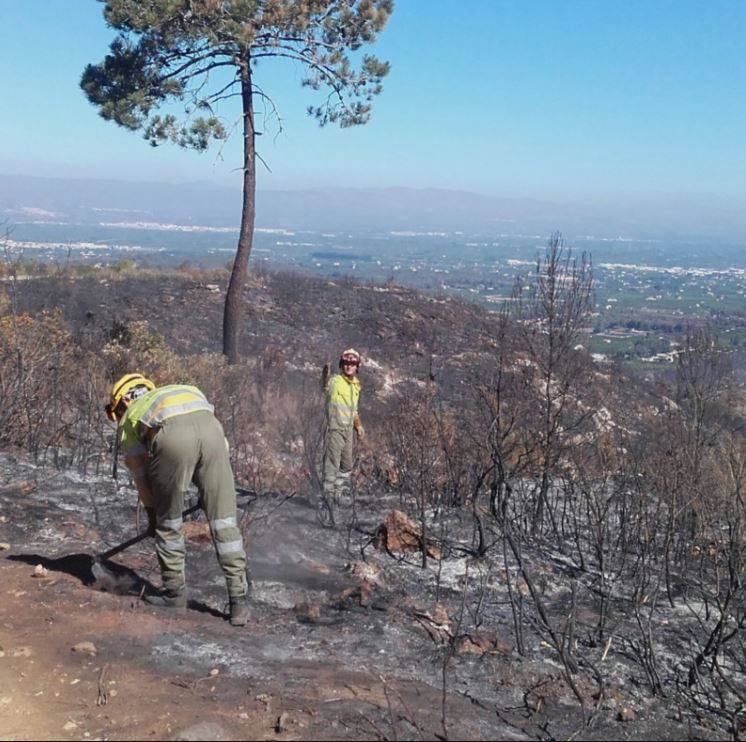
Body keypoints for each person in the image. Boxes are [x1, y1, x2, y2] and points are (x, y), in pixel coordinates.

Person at [105, 373, 249, 626]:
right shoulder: (182, 390)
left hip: (173, 438)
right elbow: (219, 446)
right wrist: (209, 490)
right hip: (214, 435)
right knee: (225, 522)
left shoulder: (133, 414)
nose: (119, 416)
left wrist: (153, 514)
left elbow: (141, 475)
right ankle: (239, 602)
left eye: (117, 409)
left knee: (168, 523)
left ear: (125, 400)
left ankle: (174, 596)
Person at [322, 349, 365, 507]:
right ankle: (328, 496)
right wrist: (325, 374)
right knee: (332, 463)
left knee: (346, 466)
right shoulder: (335, 381)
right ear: (342, 364)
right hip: (335, 427)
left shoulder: (356, 386)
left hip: (348, 430)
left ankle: (337, 493)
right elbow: (325, 386)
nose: (349, 366)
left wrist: (358, 426)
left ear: (357, 366)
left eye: (352, 364)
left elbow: (354, 411)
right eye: (346, 363)